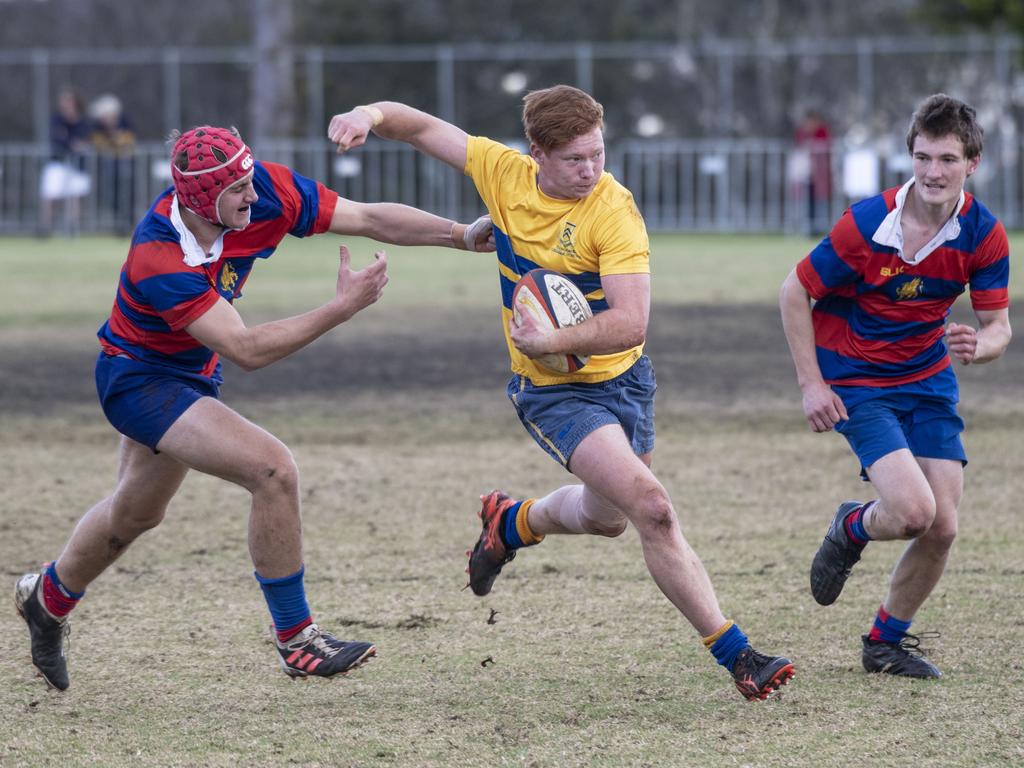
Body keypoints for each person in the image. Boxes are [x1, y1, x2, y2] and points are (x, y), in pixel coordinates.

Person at [328, 86, 795, 701]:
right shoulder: (502, 173)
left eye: (598, 153)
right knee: (652, 507)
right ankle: (741, 657)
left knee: (609, 520)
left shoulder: (614, 211)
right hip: (553, 393)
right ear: (537, 155)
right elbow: (418, 127)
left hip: (624, 380)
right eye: (575, 159)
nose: (591, 169)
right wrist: (369, 114)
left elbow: (631, 322)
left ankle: (512, 522)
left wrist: (552, 336)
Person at [14, 125, 495, 691]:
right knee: (272, 471)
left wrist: (462, 234)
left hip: (191, 372)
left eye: (249, 180)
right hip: (139, 380)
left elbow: (367, 217)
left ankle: (46, 599)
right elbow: (246, 349)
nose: (252, 195)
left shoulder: (265, 191)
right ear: (198, 199)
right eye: (237, 189)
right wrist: (340, 309)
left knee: (136, 514)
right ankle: (298, 641)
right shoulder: (159, 254)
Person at [779, 94, 1011, 679]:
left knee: (944, 526)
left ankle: (884, 643)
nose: (933, 172)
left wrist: (981, 347)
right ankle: (852, 526)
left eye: (948, 160)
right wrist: (811, 385)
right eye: (923, 157)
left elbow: (998, 326)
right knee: (911, 512)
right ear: (911, 156)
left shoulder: (983, 235)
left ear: (972, 163)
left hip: (928, 380)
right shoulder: (866, 224)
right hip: (857, 379)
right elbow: (793, 291)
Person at [39, 87, 92, 236]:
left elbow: (85, 141)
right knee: (51, 195)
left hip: (78, 166)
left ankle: (72, 228)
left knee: (75, 197)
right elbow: (58, 138)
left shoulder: (83, 122)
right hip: (58, 162)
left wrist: (71, 142)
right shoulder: (56, 120)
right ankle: (46, 228)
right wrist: (72, 143)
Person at [88, 94, 137, 234]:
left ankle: (128, 222)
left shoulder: (126, 122)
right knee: (112, 195)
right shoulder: (98, 127)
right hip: (109, 168)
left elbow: (128, 143)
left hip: (126, 165)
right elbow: (99, 144)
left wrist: (115, 138)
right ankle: (119, 223)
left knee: (128, 194)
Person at [793, 109, 833, 235]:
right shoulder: (802, 132)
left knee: (821, 200)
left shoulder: (822, 132)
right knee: (805, 200)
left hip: (821, 175)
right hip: (806, 173)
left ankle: (821, 226)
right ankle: (807, 227)